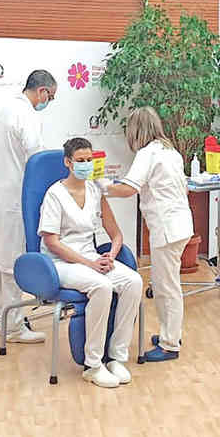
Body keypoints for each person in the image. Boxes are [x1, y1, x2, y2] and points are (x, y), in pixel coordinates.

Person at [39, 138, 142, 388]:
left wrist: (110, 256)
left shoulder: (96, 191)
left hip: (92, 259)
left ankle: (116, 357)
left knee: (134, 281)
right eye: (80, 160)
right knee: (101, 286)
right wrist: (89, 263)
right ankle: (93, 365)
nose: (86, 165)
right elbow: (52, 242)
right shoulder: (55, 194)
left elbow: (116, 234)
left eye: (89, 160)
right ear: (68, 162)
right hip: (60, 263)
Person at [96, 106, 193, 361]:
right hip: (181, 224)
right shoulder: (170, 151)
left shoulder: (147, 153)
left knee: (166, 287)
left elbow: (130, 188)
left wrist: (104, 187)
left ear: (137, 130)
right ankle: (170, 334)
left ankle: (170, 345)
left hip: (167, 228)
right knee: (168, 284)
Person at [0, 69, 57, 343]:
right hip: (16, 197)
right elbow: (36, 159)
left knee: (4, 264)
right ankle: (12, 327)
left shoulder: (7, 109)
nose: (48, 102)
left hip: (2, 194)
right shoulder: (26, 114)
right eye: (51, 97)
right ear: (42, 92)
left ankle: (1, 319)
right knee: (13, 262)